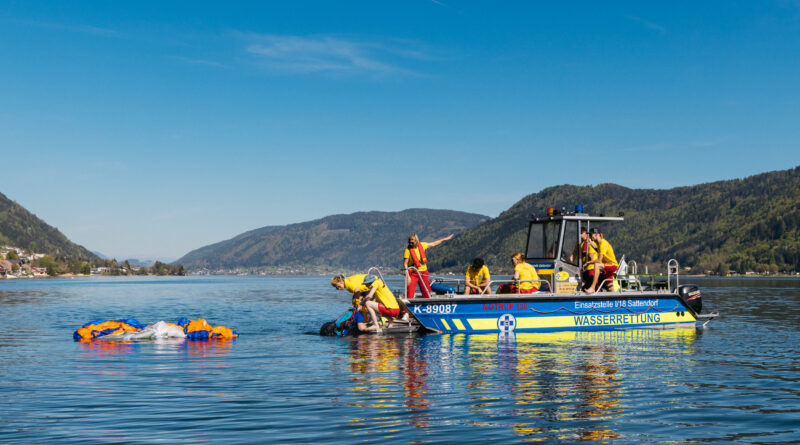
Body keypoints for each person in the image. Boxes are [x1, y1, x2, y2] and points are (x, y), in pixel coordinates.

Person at [331, 273, 400, 328]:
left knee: (368, 304)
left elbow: (357, 292)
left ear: (340, 282)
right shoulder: (347, 281)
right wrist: (354, 303)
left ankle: (378, 322)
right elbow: (357, 293)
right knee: (367, 305)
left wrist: (359, 304)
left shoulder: (349, 285)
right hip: (369, 286)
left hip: (371, 284)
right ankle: (379, 320)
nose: (338, 289)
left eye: (337, 286)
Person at [403, 233, 454, 298]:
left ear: (416, 241)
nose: (411, 244)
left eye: (412, 243)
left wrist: (445, 239)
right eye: (409, 243)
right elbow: (405, 263)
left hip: (423, 272)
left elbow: (434, 243)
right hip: (413, 273)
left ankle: (427, 303)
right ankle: (408, 305)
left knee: (426, 291)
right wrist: (408, 276)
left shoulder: (422, 245)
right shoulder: (407, 250)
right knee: (409, 291)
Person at [584, 228, 618, 293]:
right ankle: (616, 300)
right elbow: (598, 250)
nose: (590, 236)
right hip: (608, 265)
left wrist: (588, 262)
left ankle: (592, 288)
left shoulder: (603, 243)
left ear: (596, 234)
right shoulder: (600, 244)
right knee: (609, 286)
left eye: (591, 235)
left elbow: (599, 260)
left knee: (597, 265)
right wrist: (590, 243)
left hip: (613, 265)